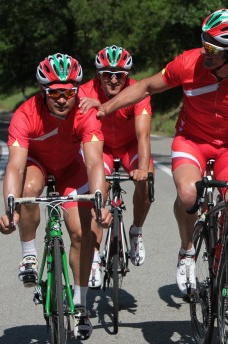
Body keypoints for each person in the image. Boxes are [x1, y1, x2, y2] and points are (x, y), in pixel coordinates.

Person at [80, 8, 228, 330]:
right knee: (187, 194)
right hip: (191, 141)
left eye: (212, 48)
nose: (204, 52)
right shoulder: (188, 63)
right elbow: (145, 88)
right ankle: (187, 251)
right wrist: (105, 108)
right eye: (204, 43)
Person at [0, 53, 111, 340]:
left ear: (77, 91)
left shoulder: (86, 113)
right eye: (55, 93)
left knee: (81, 235)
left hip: (71, 170)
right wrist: (11, 209)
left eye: (69, 93)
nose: (62, 99)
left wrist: (99, 202)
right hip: (38, 165)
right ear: (42, 91)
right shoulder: (25, 114)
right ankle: (29, 256)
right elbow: (15, 165)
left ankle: (81, 303)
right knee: (30, 190)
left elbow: (96, 163)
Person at [79, 45, 154, 288]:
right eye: (107, 74)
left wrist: (142, 168)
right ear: (98, 74)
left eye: (119, 74)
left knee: (147, 180)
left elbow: (143, 135)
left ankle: (136, 231)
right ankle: (93, 257)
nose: (113, 79)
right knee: (95, 195)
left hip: (129, 146)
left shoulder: (137, 92)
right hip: (102, 148)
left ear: (127, 75)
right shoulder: (84, 92)